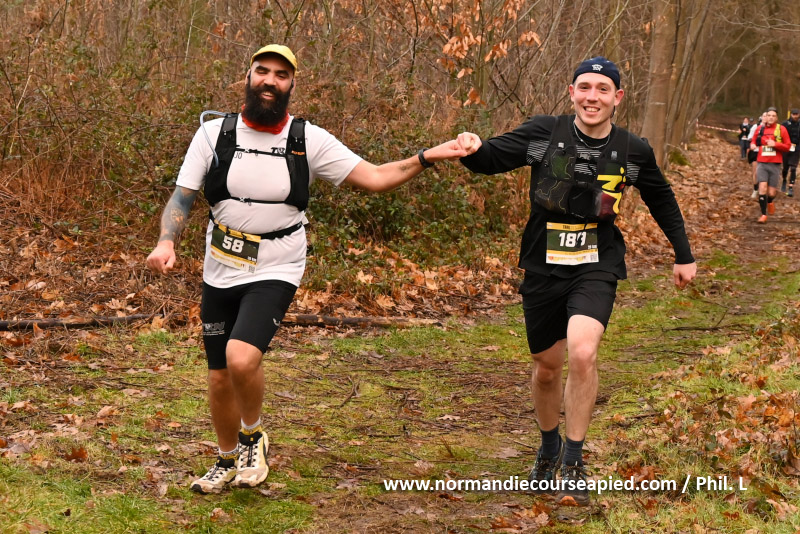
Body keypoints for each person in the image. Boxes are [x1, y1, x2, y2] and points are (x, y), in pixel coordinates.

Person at [146, 44, 468, 494]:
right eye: (262, 71)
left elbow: (375, 177)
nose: (270, 80)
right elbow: (183, 197)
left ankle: (252, 437)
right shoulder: (214, 134)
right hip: (220, 265)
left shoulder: (306, 139)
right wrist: (166, 241)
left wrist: (428, 156)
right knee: (219, 376)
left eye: (281, 74)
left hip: (277, 264)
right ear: (248, 76)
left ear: (291, 84)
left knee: (242, 357)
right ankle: (225, 459)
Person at [455, 57, 696, 506]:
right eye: (584, 87)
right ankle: (548, 449)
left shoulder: (633, 150)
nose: (592, 97)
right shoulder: (544, 133)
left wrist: (683, 254)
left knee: (583, 353)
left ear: (617, 98)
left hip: (596, 262)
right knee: (547, 367)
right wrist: (471, 145)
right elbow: (489, 159)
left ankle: (573, 460)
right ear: (572, 93)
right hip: (542, 263)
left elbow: (661, 197)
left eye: (603, 89)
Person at [749, 107, 791, 223]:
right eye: (769, 115)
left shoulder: (781, 129)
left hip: (775, 164)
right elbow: (753, 141)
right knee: (762, 188)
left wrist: (775, 144)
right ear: (765, 117)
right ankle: (763, 214)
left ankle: (770, 201)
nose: (771, 117)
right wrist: (752, 145)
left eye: (773, 116)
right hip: (762, 163)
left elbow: (788, 146)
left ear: (776, 118)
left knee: (771, 193)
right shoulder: (760, 129)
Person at [780, 109, 800, 197]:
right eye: (793, 114)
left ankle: (791, 186)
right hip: (786, 148)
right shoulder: (785, 124)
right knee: (785, 168)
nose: (795, 116)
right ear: (791, 114)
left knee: (793, 168)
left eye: (796, 114)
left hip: (796, 148)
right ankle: (784, 179)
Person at [747, 114, 765, 199]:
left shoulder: (774, 128)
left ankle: (764, 188)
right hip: (756, 151)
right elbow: (750, 137)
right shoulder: (756, 126)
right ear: (761, 118)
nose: (766, 118)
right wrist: (753, 142)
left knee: (765, 171)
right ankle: (755, 189)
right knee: (756, 172)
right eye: (764, 116)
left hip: (767, 152)